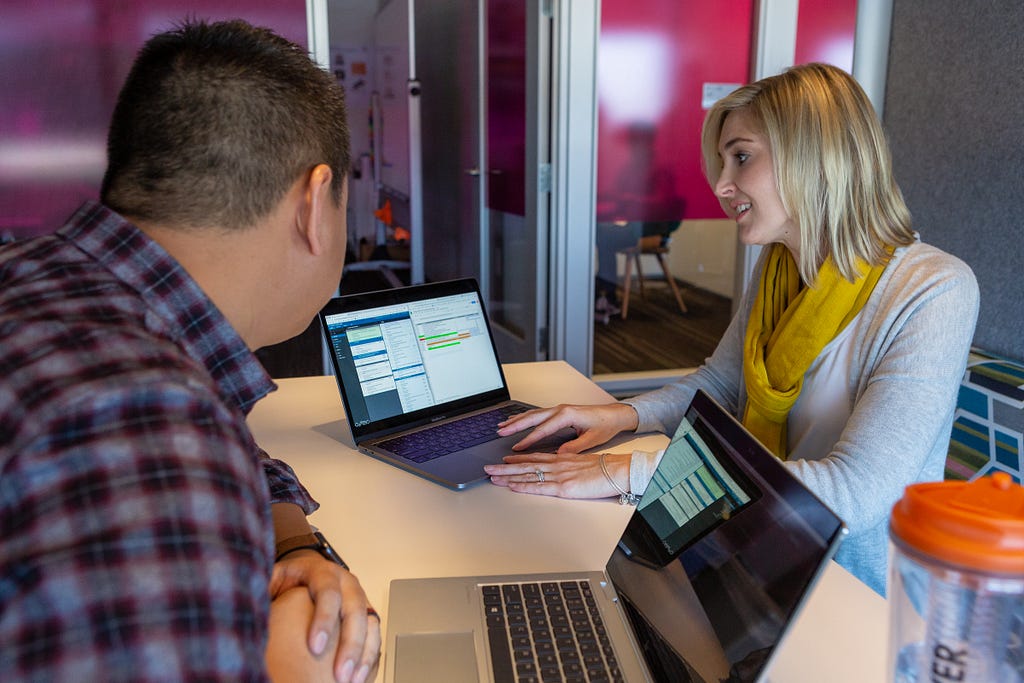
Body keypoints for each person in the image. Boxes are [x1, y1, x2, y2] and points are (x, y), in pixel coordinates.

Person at [485, 63, 979, 596]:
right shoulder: (778, 266)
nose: (721, 184)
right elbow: (721, 386)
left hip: (851, 595)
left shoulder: (934, 288)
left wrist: (630, 470)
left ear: (814, 155)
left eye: (741, 156)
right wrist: (618, 415)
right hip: (751, 549)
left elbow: (853, 495)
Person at [0, 20, 379, 682]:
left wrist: (296, 545)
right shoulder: (146, 417)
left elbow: (242, 454)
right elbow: (164, 441)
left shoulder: (44, 283)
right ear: (314, 203)